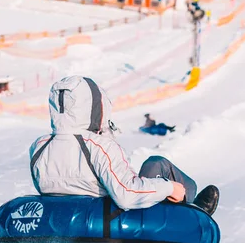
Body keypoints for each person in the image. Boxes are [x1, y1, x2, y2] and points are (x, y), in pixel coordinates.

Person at [29, 76, 219, 215]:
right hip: (109, 220)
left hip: (70, 218)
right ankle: (194, 210)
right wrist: (169, 188)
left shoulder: (39, 147)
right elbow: (126, 194)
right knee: (157, 164)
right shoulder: (98, 146)